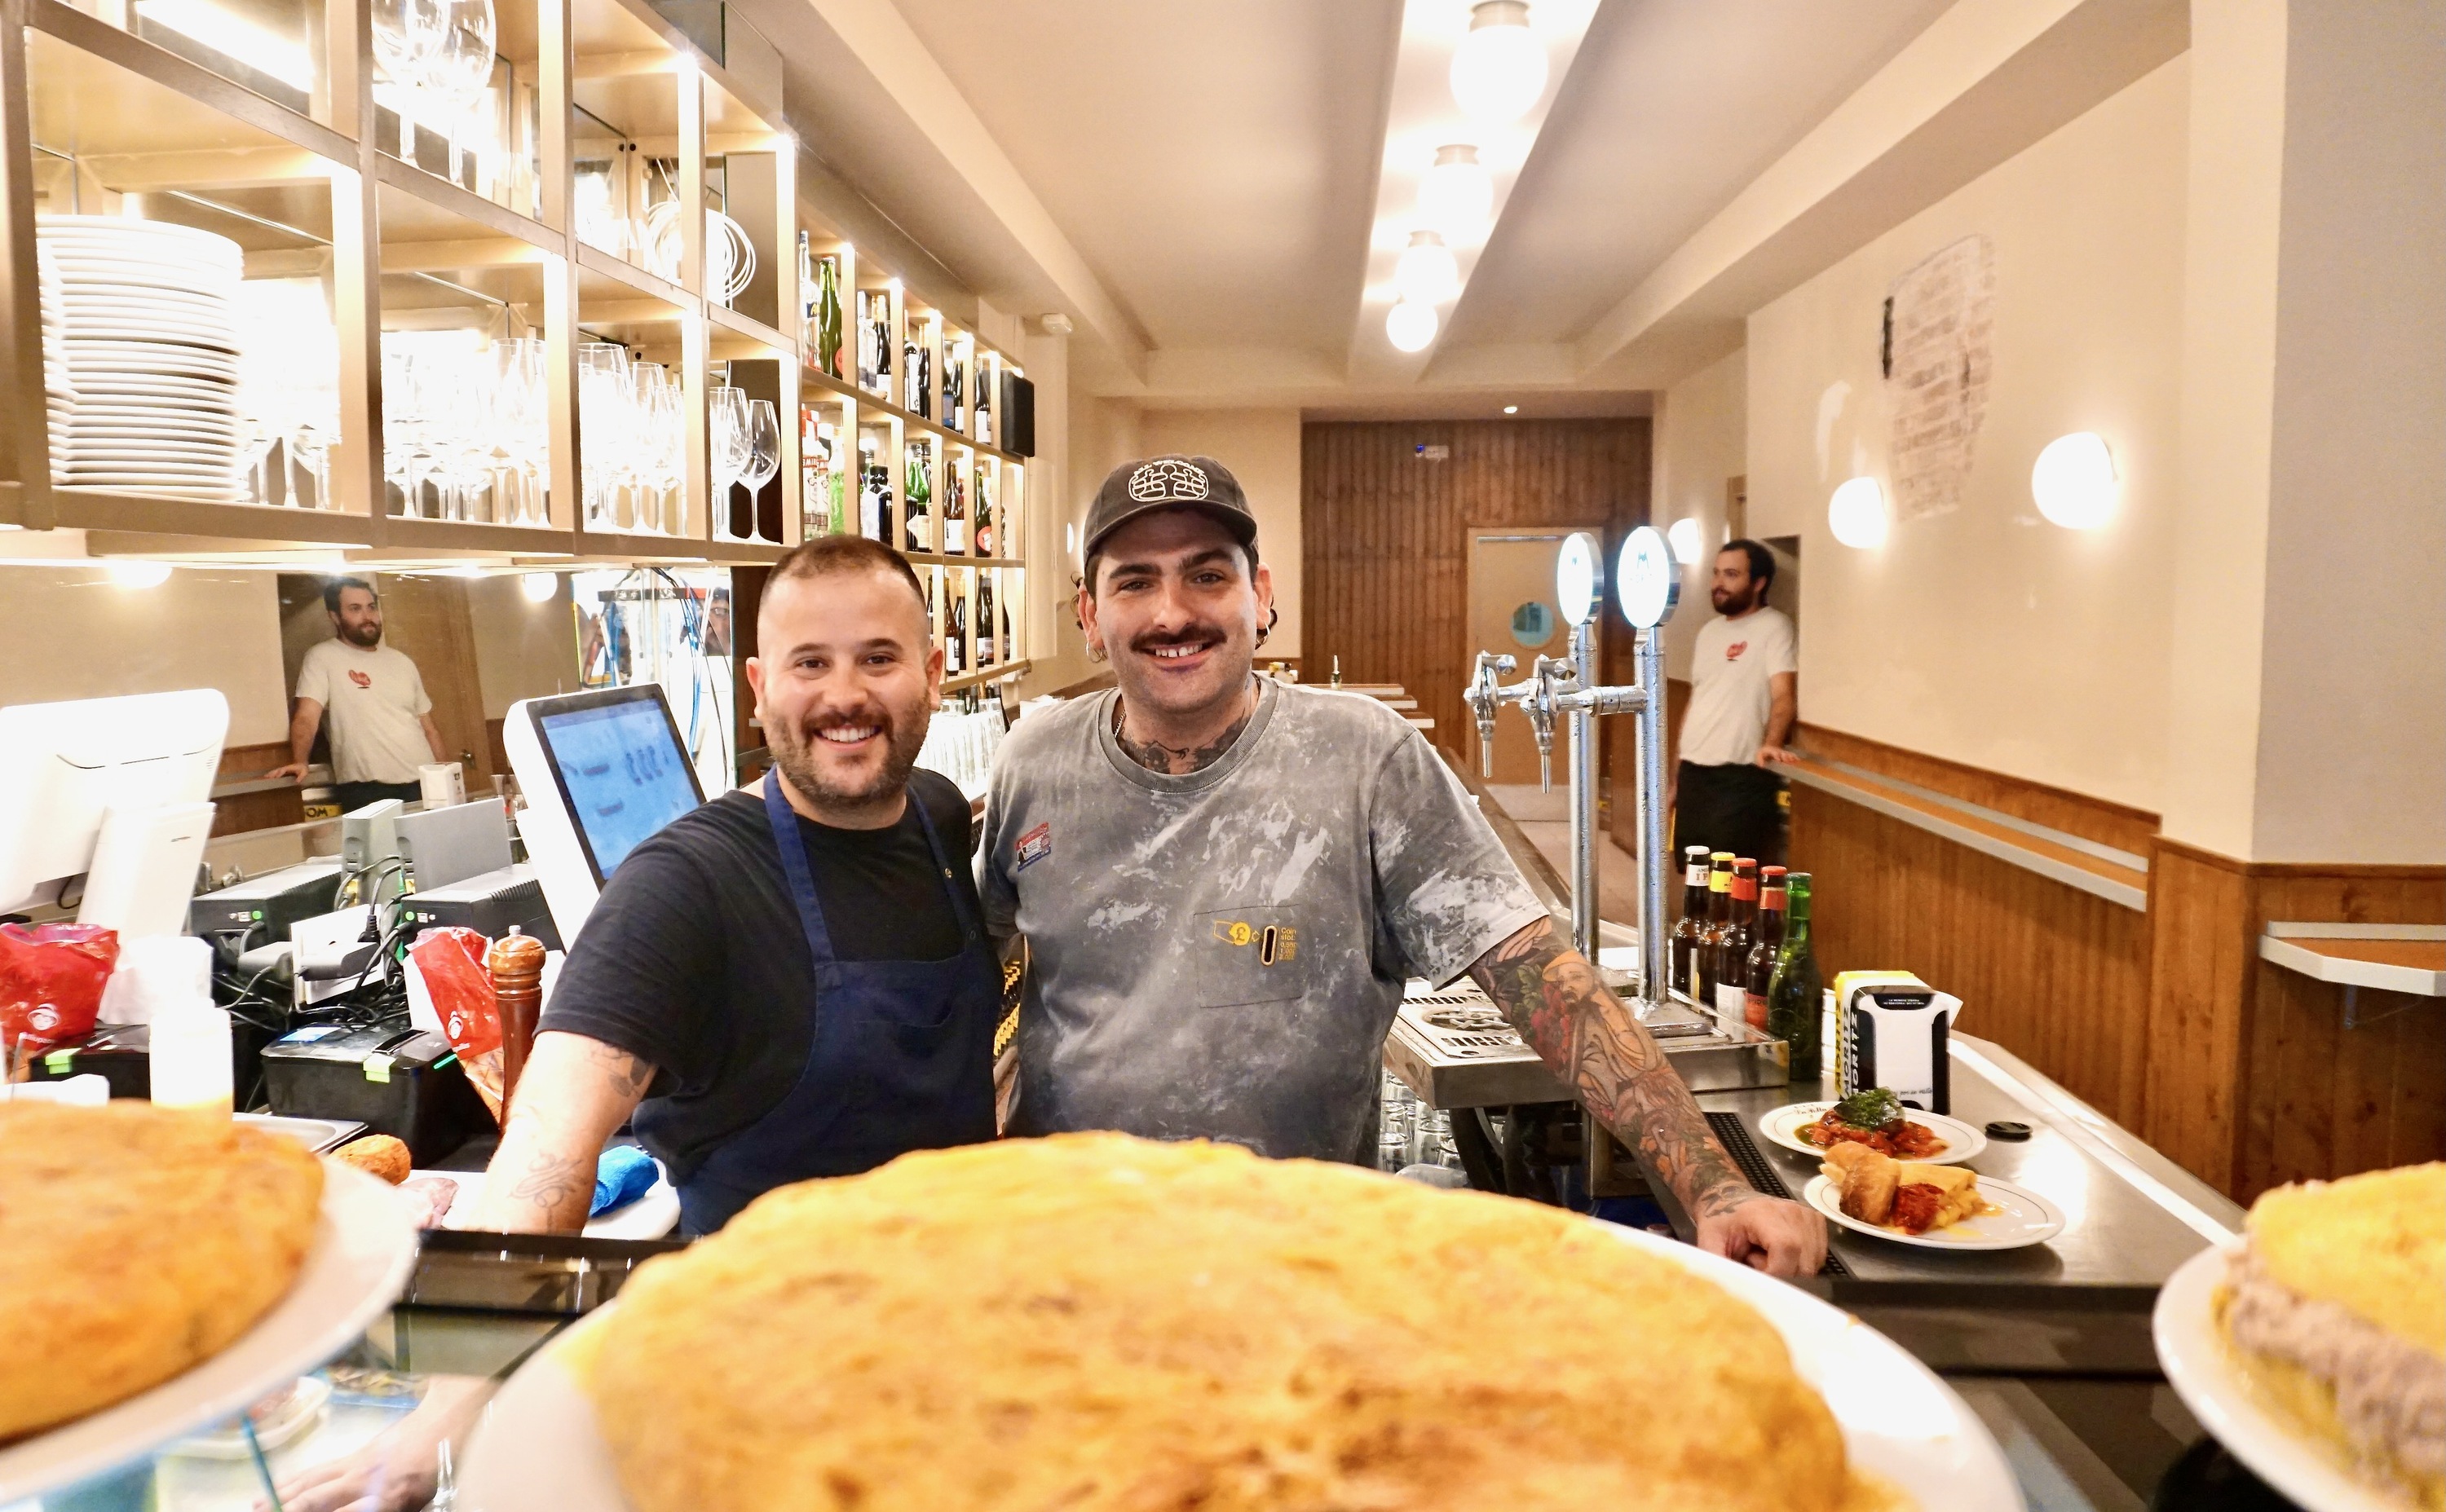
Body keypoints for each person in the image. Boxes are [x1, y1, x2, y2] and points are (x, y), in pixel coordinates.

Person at [979, 456, 1825, 1277]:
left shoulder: (1363, 756)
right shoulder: (1034, 761)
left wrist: (1712, 1187)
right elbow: (960, 969)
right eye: (1135, 581)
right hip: (1068, 1251)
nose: (1172, 612)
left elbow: (1539, 976)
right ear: (1089, 613)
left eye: (1207, 575)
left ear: (1260, 595)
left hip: (1300, 1263)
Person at [471, 536, 997, 1239]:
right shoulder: (682, 886)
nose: (845, 696)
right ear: (759, 687)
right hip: (771, 1328)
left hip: (968, 1297)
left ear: (932, 674)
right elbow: (544, 1146)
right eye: (810, 662)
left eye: (878, 658)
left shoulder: (937, 812)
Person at [268, 578, 453, 809]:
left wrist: (446, 775)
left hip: (423, 784)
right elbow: (306, 717)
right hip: (366, 790)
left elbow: (429, 728)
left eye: (371, 607)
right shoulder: (322, 657)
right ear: (335, 616)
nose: (368, 617)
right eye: (355, 609)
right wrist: (300, 761)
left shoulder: (401, 661)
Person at [1671, 538, 1798, 868]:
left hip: (1741, 775)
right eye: (1716, 574)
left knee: (1731, 878)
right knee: (1692, 873)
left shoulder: (1775, 626)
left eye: (1731, 575)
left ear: (1758, 583)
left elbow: (1784, 695)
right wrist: (1675, 779)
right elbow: (1696, 703)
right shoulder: (1708, 632)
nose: (1718, 584)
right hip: (1694, 771)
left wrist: (1771, 744)